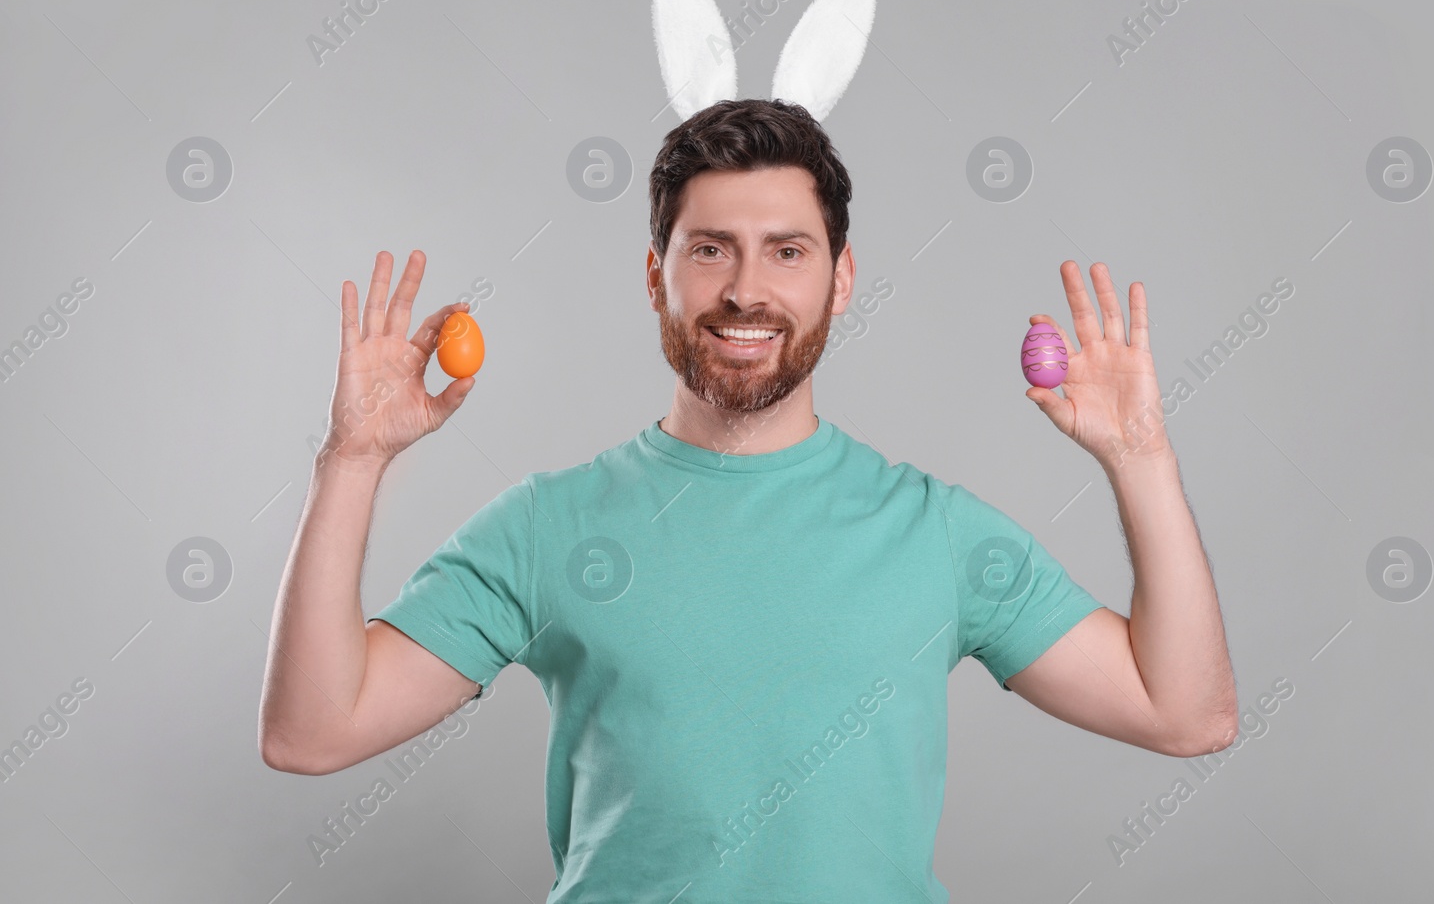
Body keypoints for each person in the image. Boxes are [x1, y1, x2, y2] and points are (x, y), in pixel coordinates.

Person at [257, 98, 1236, 901]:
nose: (746, 288)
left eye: (788, 251)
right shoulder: (546, 525)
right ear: (657, 276)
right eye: (711, 249)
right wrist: (349, 459)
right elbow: (311, 729)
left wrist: (1139, 454)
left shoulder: (935, 531)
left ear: (842, 278)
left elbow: (1183, 711)